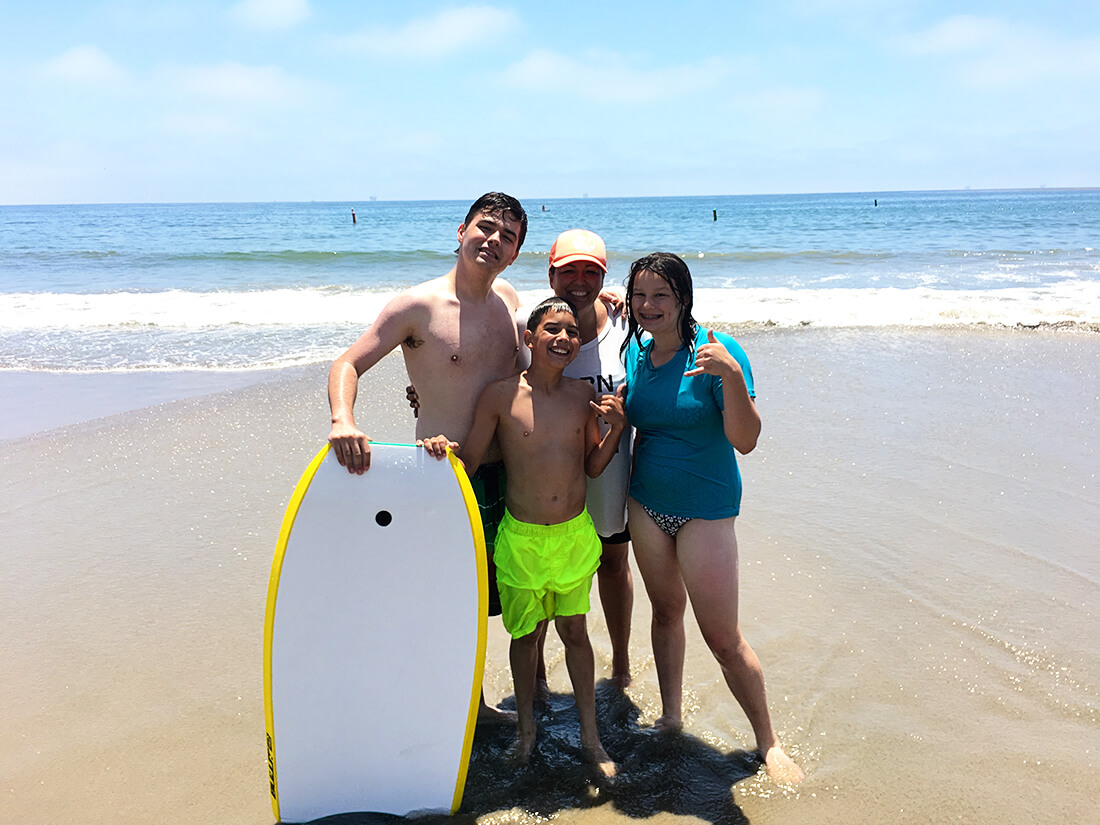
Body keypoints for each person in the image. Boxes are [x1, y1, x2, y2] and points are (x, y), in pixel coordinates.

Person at [327, 192, 528, 725]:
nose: (493, 240)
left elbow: (534, 366)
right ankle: (466, 704)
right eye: (485, 228)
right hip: (441, 475)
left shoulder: (508, 301)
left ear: (514, 253)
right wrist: (343, 420)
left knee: (509, 591)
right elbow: (348, 363)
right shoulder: (416, 306)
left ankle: (514, 696)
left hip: (506, 471)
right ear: (460, 230)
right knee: (449, 591)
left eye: (507, 237)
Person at [409, 229, 637, 688]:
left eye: (590, 271)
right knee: (535, 585)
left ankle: (621, 667)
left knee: (611, 564)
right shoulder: (531, 322)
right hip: (536, 474)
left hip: (599, 461)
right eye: (568, 269)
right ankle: (536, 685)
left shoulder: (625, 323)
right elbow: (488, 369)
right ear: (550, 273)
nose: (579, 279)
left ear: (604, 277)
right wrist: (428, 394)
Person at [620, 252, 805, 785]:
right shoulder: (637, 350)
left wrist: (729, 377)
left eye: (661, 295)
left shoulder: (719, 352)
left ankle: (768, 742)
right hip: (646, 502)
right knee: (664, 613)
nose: (649, 306)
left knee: (723, 637)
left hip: (706, 508)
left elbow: (745, 440)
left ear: (684, 298)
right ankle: (672, 716)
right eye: (639, 295)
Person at [422, 297, 625, 777]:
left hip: (574, 537)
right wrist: (436, 445)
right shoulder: (500, 395)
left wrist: (615, 429)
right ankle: (526, 730)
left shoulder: (581, 396)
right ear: (529, 339)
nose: (564, 338)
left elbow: (593, 466)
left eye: (573, 331)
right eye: (552, 328)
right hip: (521, 539)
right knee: (526, 634)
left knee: (576, 633)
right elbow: (467, 462)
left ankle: (591, 737)